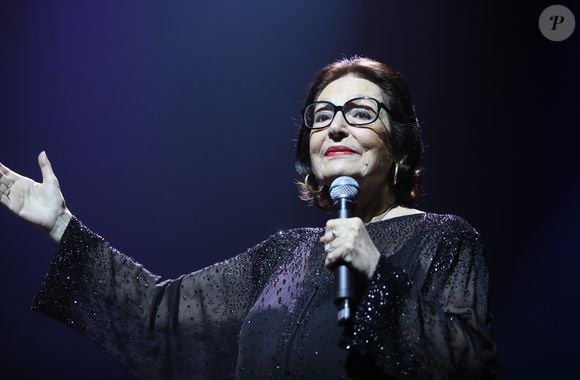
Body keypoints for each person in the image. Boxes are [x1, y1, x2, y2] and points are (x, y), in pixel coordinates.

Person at [0, 57, 499, 379]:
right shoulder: (285, 253)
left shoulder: (444, 240)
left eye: (361, 112)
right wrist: (61, 225)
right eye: (321, 117)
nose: (336, 126)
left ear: (400, 143)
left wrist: (377, 274)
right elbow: (163, 315)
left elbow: (468, 364)